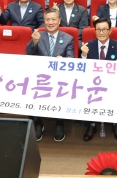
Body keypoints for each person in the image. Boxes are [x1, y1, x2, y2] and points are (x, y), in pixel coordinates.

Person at [25, 8, 74, 141]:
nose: (50, 22)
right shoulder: (38, 35)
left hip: (60, 76)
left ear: (59, 21)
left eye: (53, 19)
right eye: (47, 20)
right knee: (30, 88)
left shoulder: (68, 38)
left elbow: (71, 59)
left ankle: (59, 122)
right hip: (41, 75)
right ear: (44, 21)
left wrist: (64, 61)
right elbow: (28, 53)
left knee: (63, 89)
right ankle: (38, 122)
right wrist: (34, 42)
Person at [80, 17, 117, 142]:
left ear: (110, 31)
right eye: (98, 30)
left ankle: (115, 123)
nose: (101, 32)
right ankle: (92, 124)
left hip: (113, 82)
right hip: (93, 82)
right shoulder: (88, 46)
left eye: (104, 29)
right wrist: (83, 55)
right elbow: (81, 69)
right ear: (94, 31)